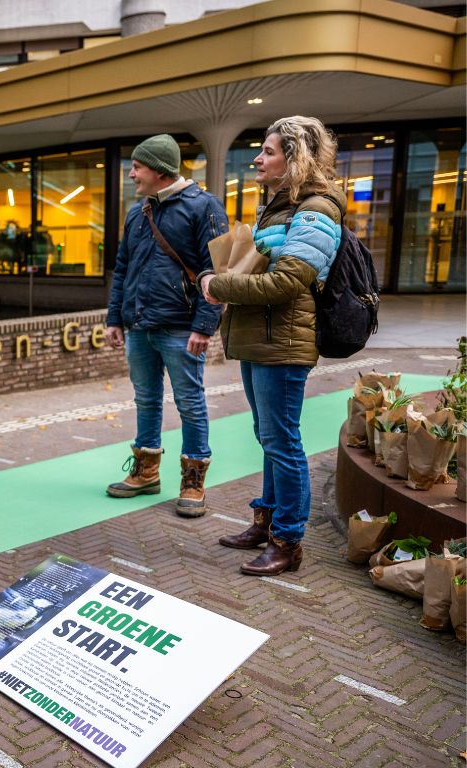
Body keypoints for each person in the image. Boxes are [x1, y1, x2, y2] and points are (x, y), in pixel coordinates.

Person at [199, 115, 344, 576]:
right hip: (261, 338)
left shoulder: (316, 210)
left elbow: (287, 283)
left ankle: (288, 541)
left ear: (295, 158)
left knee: (283, 442)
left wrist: (219, 285)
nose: (258, 159)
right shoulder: (282, 205)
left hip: (282, 342)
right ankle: (265, 523)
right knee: (269, 437)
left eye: (269, 151)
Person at [105, 134, 227, 517]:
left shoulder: (203, 206)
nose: (131, 174)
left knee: (190, 403)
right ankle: (146, 473)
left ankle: (193, 481)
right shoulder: (137, 212)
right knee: (146, 399)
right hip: (139, 326)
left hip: (181, 328)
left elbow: (217, 271)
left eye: (137, 167)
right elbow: (122, 268)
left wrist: (204, 326)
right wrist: (114, 318)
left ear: (159, 170)